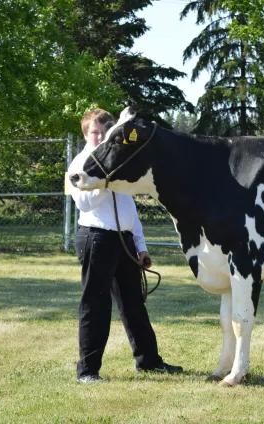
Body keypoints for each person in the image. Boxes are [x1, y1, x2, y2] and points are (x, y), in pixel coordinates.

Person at [68, 108, 182, 383]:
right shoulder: (81, 165)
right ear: (86, 133)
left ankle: (149, 361)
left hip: (123, 240)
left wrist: (140, 245)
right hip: (96, 237)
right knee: (95, 304)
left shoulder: (113, 163)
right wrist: (100, 181)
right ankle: (88, 370)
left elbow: (129, 209)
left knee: (134, 303)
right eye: (94, 132)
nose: (98, 138)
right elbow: (84, 203)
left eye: (102, 133)